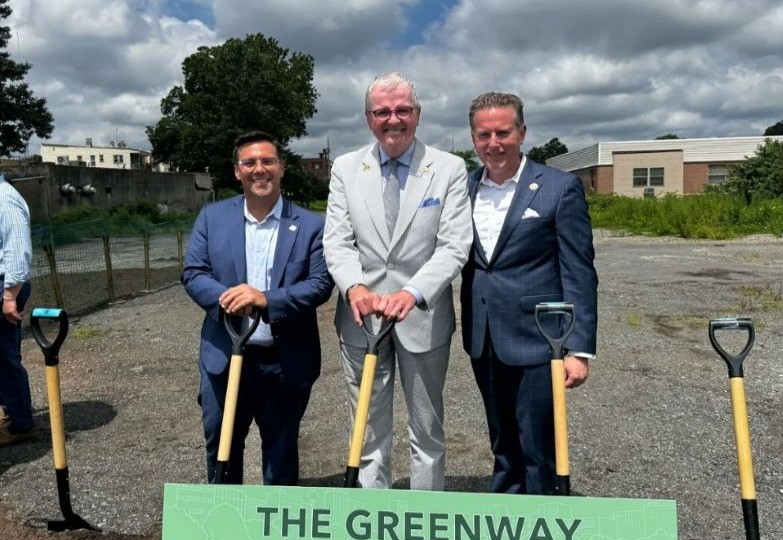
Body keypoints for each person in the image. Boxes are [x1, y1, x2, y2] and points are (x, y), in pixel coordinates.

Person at [323, 72, 472, 490]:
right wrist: (355, 287)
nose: (393, 119)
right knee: (368, 430)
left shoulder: (448, 169)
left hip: (422, 317)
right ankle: (374, 515)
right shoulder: (346, 168)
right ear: (369, 118)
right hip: (362, 318)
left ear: (417, 115)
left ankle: (426, 516)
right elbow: (337, 240)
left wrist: (412, 292)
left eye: (403, 110)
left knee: (427, 430)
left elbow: (454, 245)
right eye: (382, 112)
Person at [461, 92, 598, 495]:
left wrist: (579, 348)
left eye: (503, 133)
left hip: (540, 339)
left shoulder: (559, 187)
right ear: (473, 138)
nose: (494, 143)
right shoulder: (464, 189)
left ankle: (544, 515)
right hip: (483, 336)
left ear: (522, 132)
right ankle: (506, 511)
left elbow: (578, 272)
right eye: (484, 135)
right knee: (502, 440)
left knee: (539, 444)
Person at [182, 131, 333, 484]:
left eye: (268, 161)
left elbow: (320, 284)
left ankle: (272, 519)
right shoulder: (213, 217)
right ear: (237, 171)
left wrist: (266, 299)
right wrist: (230, 298)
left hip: (284, 361)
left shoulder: (312, 225)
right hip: (224, 356)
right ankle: (225, 515)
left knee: (281, 455)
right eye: (249, 162)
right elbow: (194, 272)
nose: (259, 169)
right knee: (221, 449)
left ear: (281, 168)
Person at [0, 172, 35, 446]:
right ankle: (11, 410)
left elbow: (18, 247)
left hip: (4, 286)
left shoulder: (4, 199)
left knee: (4, 357)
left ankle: (21, 424)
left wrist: (9, 296)